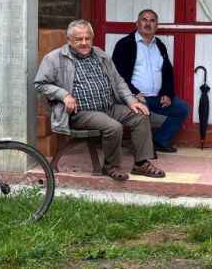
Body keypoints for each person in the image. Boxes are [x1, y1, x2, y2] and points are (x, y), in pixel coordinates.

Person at [34, 19, 165, 181]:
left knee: (140, 115)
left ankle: (141, 163)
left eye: (87, 38)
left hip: (108, 107)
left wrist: (131, 101)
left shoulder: (100, 55)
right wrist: (63, 95)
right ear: (69, 40)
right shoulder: (54, 58)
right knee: (113, 127)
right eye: (78, 39)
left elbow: (118, 81)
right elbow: (40, 84)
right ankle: (111, 166)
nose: (84, 43)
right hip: (80, 112)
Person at [112, 9, 189, 153]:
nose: (148, 23)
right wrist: (133, 93)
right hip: (135, 97)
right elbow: (117, 75)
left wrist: (167, 93)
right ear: (137, 23)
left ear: (157, 25)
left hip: (157, 97)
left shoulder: (159, 45)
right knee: (142, 113)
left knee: (182, 109)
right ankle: (143, 149)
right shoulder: (125, 44)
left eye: (152, 20)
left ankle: (160, 141)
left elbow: (167, 71)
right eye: (144, 20)